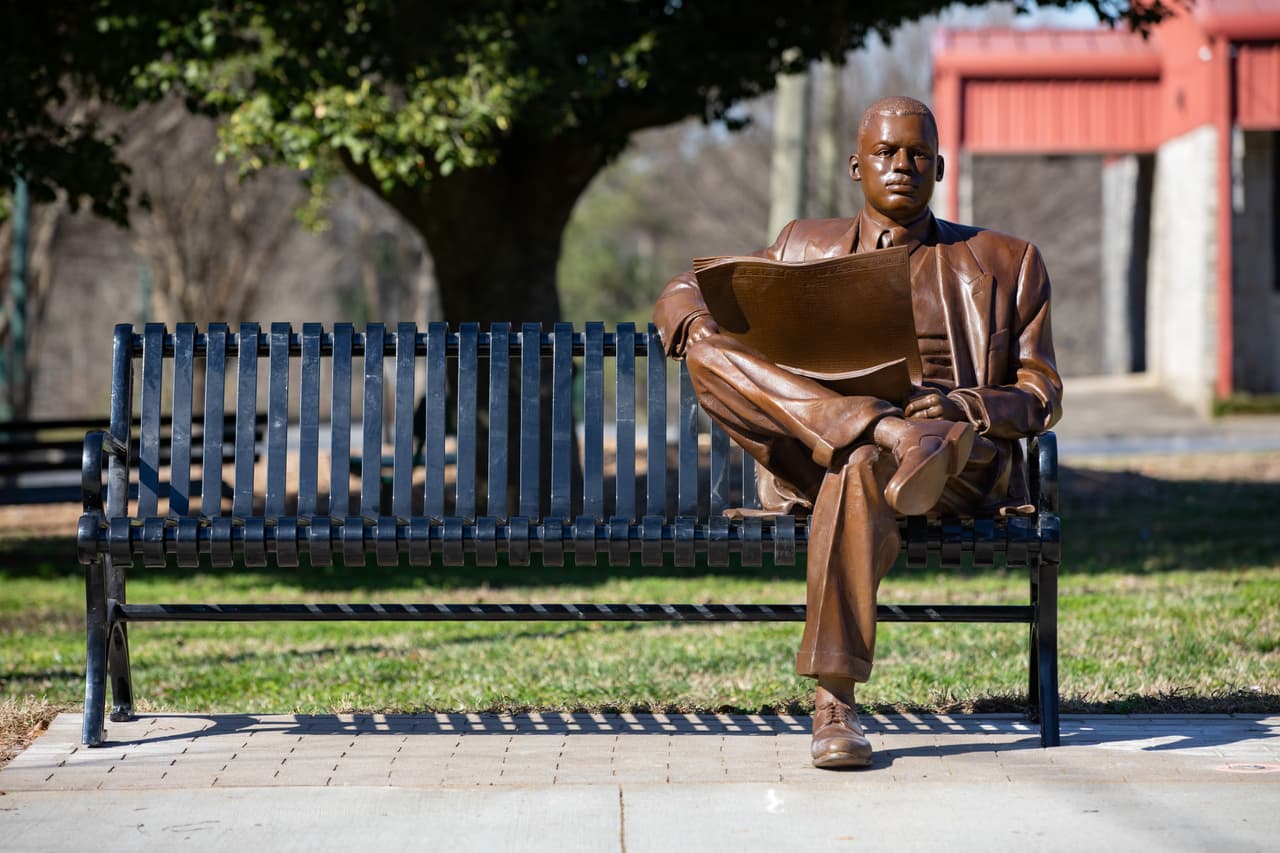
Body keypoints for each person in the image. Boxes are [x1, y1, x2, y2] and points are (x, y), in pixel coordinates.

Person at [653, 96, 1063, 769]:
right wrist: (697, 324)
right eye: (886, 152)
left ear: (938, 165)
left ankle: (834, 703)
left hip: (951, 464)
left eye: (917, 153)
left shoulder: (1007, 261)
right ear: (854, 165)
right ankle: (883, 428)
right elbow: (686, 286)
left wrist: (960, 404)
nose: (903, 164)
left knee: (861, 467)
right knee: (713, 358)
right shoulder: (801, 247)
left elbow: (1041, 390)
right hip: (816, 449)